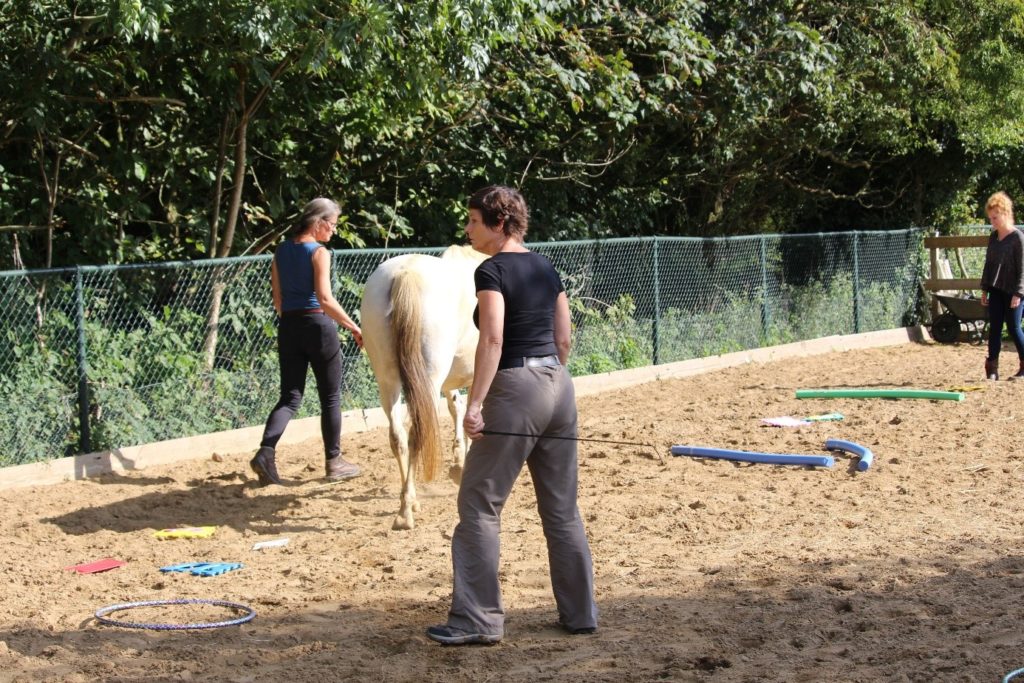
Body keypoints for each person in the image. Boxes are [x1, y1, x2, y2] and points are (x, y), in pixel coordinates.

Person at [426, 185, 598, 645]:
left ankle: (476, 620)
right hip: (559, 388)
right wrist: (551, 383)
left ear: (499, 223)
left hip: (516, 387)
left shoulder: (492, 270)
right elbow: (564, 339)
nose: (467, 229)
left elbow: (493, 339)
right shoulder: (546, 266)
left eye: (474, 221)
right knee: (562, 510)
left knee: (479, 505)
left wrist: (477, 403)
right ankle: (581, 613)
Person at [250, 198, 364, 485]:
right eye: (333, 224)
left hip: (288, 325)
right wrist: (353, 326)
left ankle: (266, 452)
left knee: (290, 397)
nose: (334, 230)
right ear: (318, 222)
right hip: (318, 326)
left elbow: (278, 300)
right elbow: (325, 299)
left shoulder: (281, 251)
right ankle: (334, 462)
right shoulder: (319, 253)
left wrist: (294, 320)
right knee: (330, 397)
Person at [980, 191, 1024, 381]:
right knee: (995, 327)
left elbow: (1023, 268)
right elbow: (988, 264)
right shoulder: (993, 237)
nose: (993, 222)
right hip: (996, 289)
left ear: (1005, 213)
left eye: (995, 217)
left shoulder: (1018, 238)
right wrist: (984, 288)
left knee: (1014, 327)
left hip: (1014, 290)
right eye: (991, 218)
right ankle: (992, 367)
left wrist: (1019, 293)